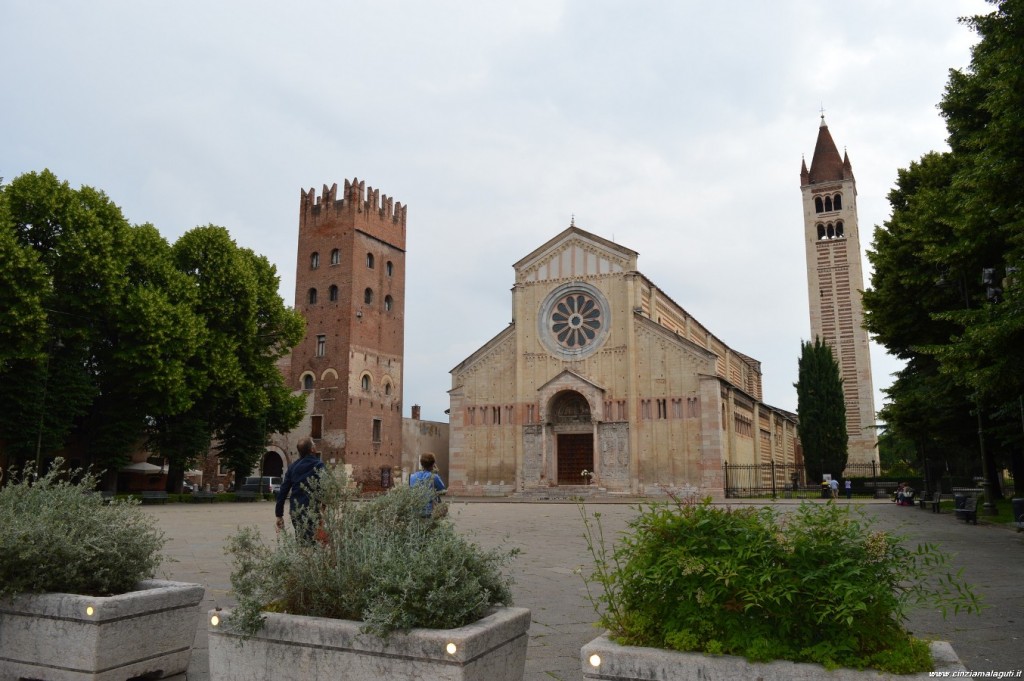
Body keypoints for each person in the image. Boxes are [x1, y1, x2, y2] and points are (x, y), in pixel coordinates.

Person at [275, 437, 326, 542]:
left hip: (296, 511)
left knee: (302, 541)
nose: (315, 446)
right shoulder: (318, 465)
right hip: (312, 511)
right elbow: (326, 487)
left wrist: (279, 515)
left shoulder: (292, 467)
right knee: (315, 544)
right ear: (312, 450)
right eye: (314, 445)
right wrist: (324, 508)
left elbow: (283, 491)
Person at [409, 453, 446, 518]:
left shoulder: (412, 476)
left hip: (415, 510)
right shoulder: (434, 476)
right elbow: (443, 490)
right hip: (429, 511)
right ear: (433, 464)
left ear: (421, 464)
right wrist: (436, 473)